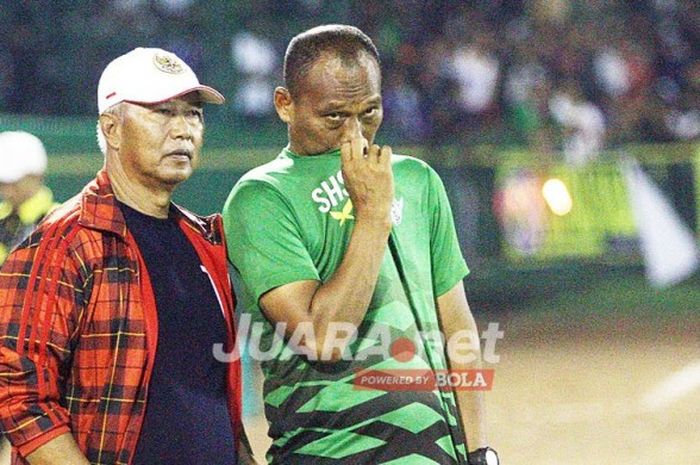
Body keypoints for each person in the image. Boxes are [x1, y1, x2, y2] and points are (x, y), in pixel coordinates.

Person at [223, 25, 499, 465]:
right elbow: (321, 338)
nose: (355, 134)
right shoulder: (261, 198)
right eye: (334, 116)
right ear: (285, 105)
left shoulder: (418, 180)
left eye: (369, 111)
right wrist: (371, 214)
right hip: (328, 453)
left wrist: (480, 449)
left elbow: (457, 325)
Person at [0, 48, 253, 465]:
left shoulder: (202, 239)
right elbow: (21, 396)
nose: (184, 130)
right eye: (162, 113)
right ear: (112, 128)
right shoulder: (64, 242)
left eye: (193, 114)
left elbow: (211, 391)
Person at [0, 131, 57, 265]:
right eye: (1, 183)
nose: (6, 190)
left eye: (13, 182)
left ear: (36, 175)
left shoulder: (62, 221)